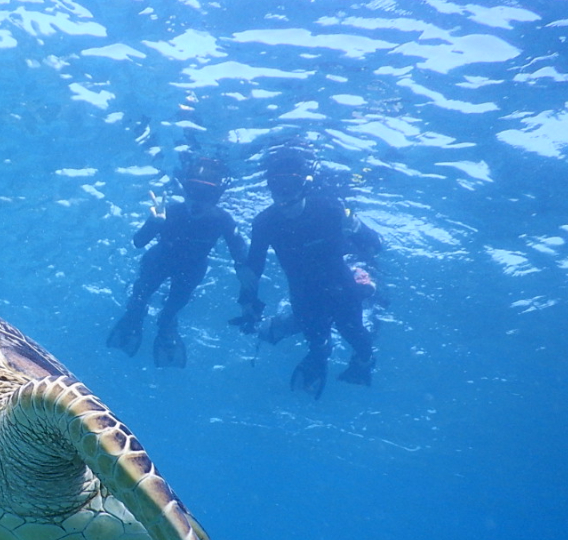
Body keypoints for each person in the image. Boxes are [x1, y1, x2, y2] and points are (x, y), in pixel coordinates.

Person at [232, 141, 383, 398]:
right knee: (317, 343)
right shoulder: (265, 223)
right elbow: (254, 269)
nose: (283, 195)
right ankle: (317, 357)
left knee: (358, 339)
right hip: (303, 293)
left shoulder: (331, 209)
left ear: (304, 184)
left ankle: (361, 365)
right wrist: (248, 302)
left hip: (341, 287)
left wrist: (357, 228)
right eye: (276, 187)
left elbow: (375, 246)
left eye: (289, 186)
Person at [107, 155, 249, 367]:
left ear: (217, 196)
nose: (197, 200)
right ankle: (135, 318)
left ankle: (164, 325)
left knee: (170, 314)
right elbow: (138, 242)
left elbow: (241, 256)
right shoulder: (170, 211)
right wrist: (154, 224)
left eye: (206, 194)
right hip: (159, 261)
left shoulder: (222, 220)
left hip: (191, 269)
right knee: (137, 301)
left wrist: (248, 291)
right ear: (184, 190)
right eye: (192, 191)